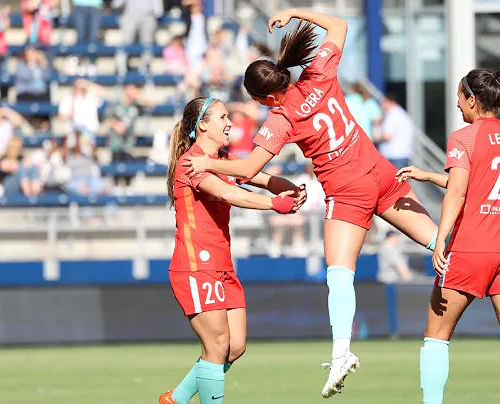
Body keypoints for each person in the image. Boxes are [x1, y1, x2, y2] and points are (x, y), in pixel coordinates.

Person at [181, 9, 439, 398]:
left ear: (264, 97)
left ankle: (341, 354)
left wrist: (206, 161)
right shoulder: (318, 74)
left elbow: (249, 168)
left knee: (339, 273)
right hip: (380, 172)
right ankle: (486, 266)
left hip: (348, 191)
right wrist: (294, 12)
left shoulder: (281, 118)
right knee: (441, 245)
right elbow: (340, 25)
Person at [397, 69, 500, 404]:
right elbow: (480, 183)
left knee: (436, 336)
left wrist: (442, 238)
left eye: (460, 97)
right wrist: (429, 176)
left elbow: (460, 193)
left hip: (472, 249)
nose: (457, 104)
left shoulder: (463, 137)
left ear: (473, 99)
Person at [158, 96, 305, 404]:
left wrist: (289, 188)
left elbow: (261, 177)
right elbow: (227, 192)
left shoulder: (221, 160)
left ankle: (175, 400)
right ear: (203, 126)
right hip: (196, 266)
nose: (230, 123)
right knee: (217, 346)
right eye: (223, 117)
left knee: (235, 346)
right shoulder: (191, 163)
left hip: (222, 267)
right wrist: (275, 204)